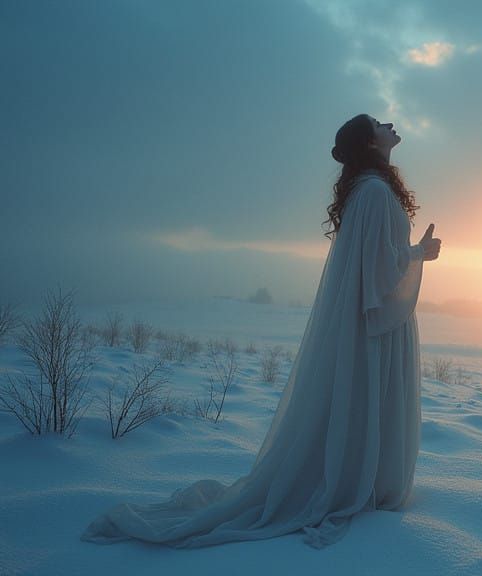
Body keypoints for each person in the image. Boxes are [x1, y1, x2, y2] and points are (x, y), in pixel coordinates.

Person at [81, 114, 441, 549]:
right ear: (368, 142)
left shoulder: (370, 189)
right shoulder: (375, 192)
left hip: (374, 318)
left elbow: (373, 264)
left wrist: (412, 254)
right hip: (377, 321)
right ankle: (358, 486)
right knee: (369, 394)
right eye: (379, 123)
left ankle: (360, 480)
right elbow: (379, 269)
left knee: (363, 398)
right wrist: (420, 252)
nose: (390, 124)